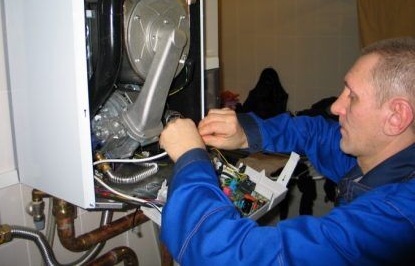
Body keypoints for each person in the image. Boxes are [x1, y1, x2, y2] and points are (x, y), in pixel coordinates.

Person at [159, 37, 415, 265]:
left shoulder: (395, 220)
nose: (336, 106)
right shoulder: (380, 157)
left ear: (396, 117)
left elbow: (230, 255)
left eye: (353, 97)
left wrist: (191, 158)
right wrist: (246, 132)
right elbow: (315, 133)